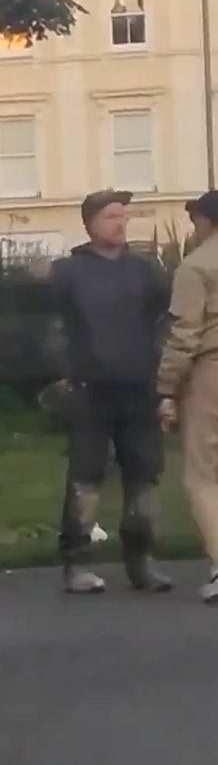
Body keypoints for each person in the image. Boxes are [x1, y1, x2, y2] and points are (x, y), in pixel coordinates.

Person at [49, 189, 172, 594]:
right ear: (90, 223)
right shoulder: (68, 272)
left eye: (123, 216)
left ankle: (141, 560)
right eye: (111, 216)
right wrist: (60, 371)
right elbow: (51, 326)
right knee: (86, 477)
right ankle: (78, 562)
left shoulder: (144, 270)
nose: (120, 223)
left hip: (138, 385)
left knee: (143, 476)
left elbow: (165, 320)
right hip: (89, 387)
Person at [157, 190, 218, 603]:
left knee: (204, 474)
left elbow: (185, 335)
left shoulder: (196, 267)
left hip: (211, 370)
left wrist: (166, 388)